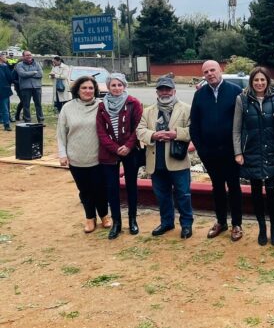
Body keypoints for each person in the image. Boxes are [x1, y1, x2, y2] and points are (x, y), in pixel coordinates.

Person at [190, 61, 244, 242]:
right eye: (206, 72)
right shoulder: (199, 95)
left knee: (234, 187)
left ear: (221, 70)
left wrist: (240, 149)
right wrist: (201, 149)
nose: (210, 74)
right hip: (209, 153)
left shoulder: (235, 91)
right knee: (217, 188)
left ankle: (237, 224)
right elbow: (194, 125)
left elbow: (243, 122)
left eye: (213, 70)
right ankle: (221, 221)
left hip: (231, 151)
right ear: (203, 75)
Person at [136, 76, 194, 239]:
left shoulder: (186, 109)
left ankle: (186, 224)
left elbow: (194, 130)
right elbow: (139, 130)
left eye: (168, 89)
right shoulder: (148, 111)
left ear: (174, 91)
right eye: (161, 89)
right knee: (162, 195)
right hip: (156, 160)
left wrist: (176, 134)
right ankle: (167, 222)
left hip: (177, 160)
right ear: (157, 92)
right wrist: (153, 135)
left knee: (183, 194)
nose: (164, 92)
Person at [233, 67, 274, 246]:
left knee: (271, 192)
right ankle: (262, 228)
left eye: (263, 80)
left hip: (271, 151)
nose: (259, 83)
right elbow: (237, 128)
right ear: (251, 82)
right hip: (251, 151)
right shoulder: (242, 100)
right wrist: (238, 152)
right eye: (256, 80)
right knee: (255, 192)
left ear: (268, 81)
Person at [57, 75, 110, 233]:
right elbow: (61, 133)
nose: (88, 91)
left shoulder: (101, 106)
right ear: (77, 90)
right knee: (85, 190)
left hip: (97, 157)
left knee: (100, 188)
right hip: (76, 157)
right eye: (84, 88)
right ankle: (89, 218)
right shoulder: (68, 108)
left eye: (91, 88)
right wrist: (62, 154)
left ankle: (104, 215)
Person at [96, 73, 144, 239]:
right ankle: (116, 222)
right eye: (113, 85)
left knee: (131, 186)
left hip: (130, 151)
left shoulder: (133, 103)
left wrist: (129, 146)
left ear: (124, 86)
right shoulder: (102, 106)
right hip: (110, 152)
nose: (116, 88)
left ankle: (132, 220)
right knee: (112, 188)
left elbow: (139, 126)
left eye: (119, 85)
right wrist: (115, 148)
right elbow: (101, 132)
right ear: (108, 87)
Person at [15, 49, 44, 123]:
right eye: (27, 55)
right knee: (26, 105)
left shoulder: (37, 64)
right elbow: (22, 74)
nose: (29, 56)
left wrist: (29, 73)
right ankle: (27, 121)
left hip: (37, 87)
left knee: (38, 104)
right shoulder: (19, 65)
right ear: (23, 56)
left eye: (30, 55)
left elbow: (41, 74)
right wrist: (34, 72)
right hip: (25, 88)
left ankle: (40, 120)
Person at [0, 53, 13, 131]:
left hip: (4, 90)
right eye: (5, 56)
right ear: (0, 57)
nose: (6, 58)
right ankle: (6, 124)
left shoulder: (5, 66)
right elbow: (10, 78)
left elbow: (9, 78)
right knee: (5, 108)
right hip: (4, 89)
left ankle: (6, 124)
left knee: (5, 108)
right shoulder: (4, 67)